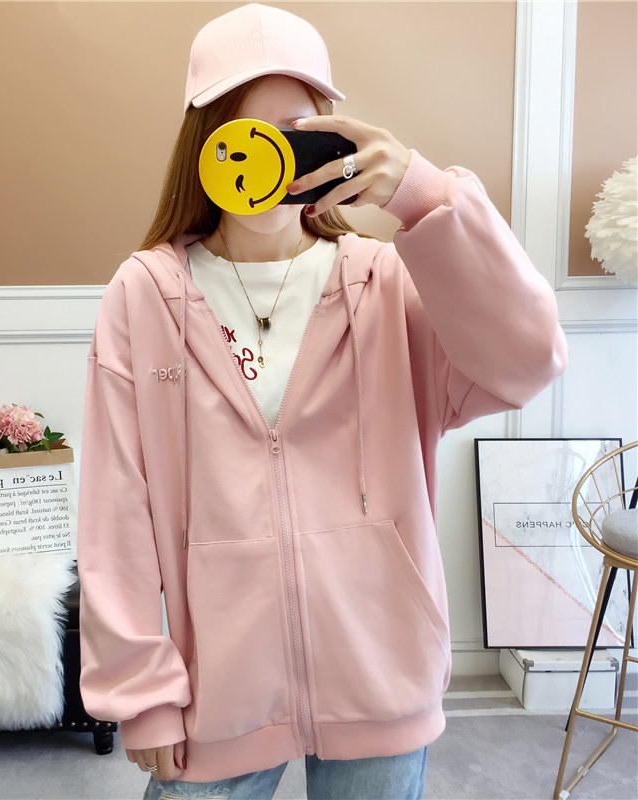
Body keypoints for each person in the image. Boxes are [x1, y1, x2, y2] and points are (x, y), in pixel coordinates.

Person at [77, 4, 567, 799]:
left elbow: (530, 359)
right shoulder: (146, 295)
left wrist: (426, 198)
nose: (270, 159)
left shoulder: (387, 282)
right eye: (243, 133)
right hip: (220, 695)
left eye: (298, 134)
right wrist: (141, 690)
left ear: (333, 143)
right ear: (203, 143)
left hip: (382, 674)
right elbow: (115, 509)